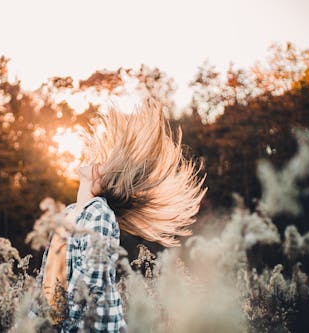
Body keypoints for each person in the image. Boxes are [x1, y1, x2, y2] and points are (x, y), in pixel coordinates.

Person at [32, 98, 206, 332]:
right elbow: (48, 274)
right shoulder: (69, 213)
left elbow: (91, 283)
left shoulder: (100, 214)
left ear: (107, 184)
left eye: (103, 168)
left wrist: (67, 326)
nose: (95, 162)